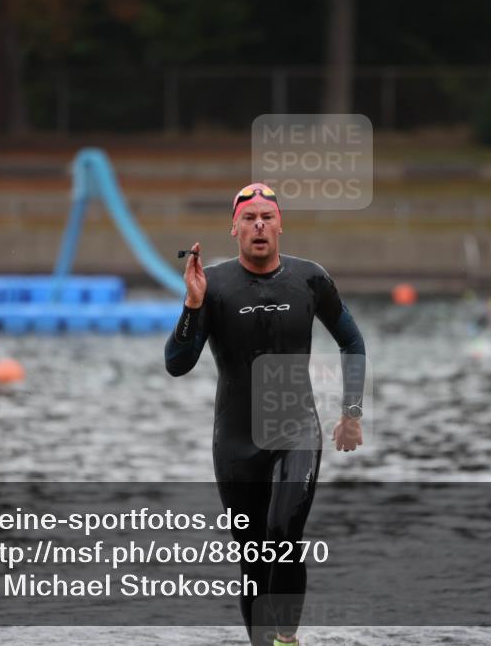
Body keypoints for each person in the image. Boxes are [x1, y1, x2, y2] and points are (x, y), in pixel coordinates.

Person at [165, 183, 366, 646]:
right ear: (233, 228)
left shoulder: (310, 279)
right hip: (235, 441)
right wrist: (192, 306)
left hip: (296, 429)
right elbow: (177, 364)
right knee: (253, 555)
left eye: (267, 217)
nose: (259, 225)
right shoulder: (212, 285)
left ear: (280, 225)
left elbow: (352, 342)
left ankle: (287, 641)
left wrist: (350, 412)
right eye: (249, 217)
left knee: (284, 531)